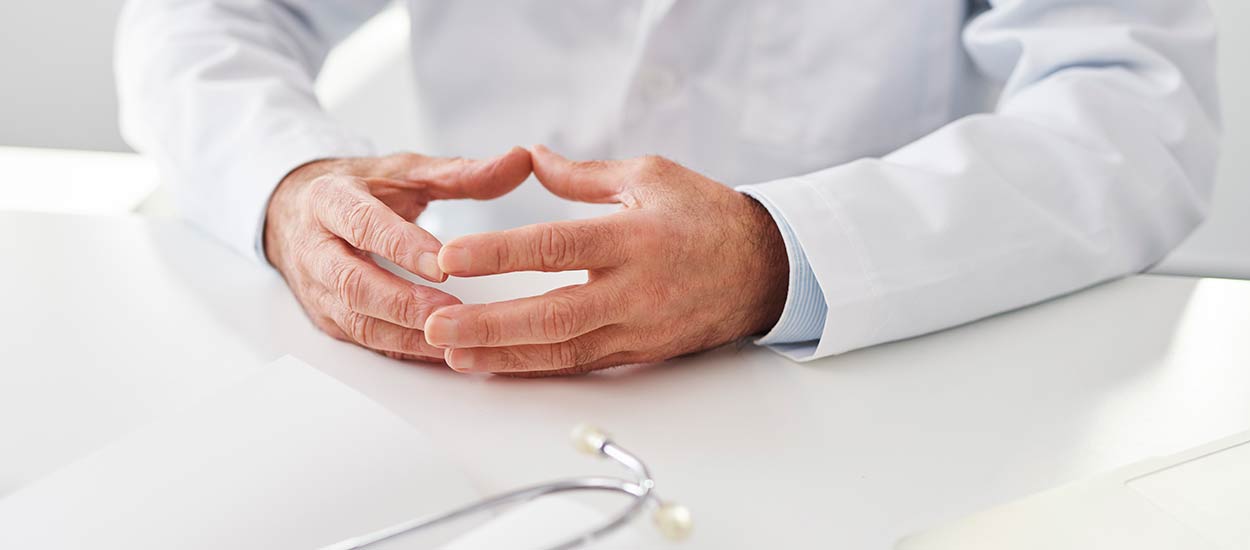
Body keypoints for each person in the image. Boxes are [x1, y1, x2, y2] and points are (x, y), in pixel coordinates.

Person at [115, 0, 1220, 375]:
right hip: (467, 359)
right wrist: (287, 182)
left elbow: (1136, 106)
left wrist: (778, 252)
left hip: (879, 360)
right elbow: (201, 15)